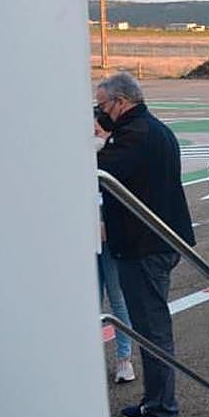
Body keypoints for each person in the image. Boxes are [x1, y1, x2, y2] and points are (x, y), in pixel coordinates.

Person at [95, 72, 195, 417]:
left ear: (120, 102)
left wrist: (96, 140)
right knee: (147, 326)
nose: (99, 112)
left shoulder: (135, 134)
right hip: (151, 241)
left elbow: (100, 168)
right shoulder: (151, 129)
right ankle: (154, 401)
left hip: (146, 246)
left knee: (152, 330)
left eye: (102, 105)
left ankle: (163, 411)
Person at [95, 119, 134, 384]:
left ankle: (124, 358)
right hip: (84, 240)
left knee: (117, 298)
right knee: (90, 299)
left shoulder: (114, 156)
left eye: (98, 129)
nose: (95, 134)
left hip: (109, 240)